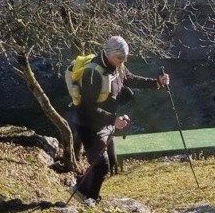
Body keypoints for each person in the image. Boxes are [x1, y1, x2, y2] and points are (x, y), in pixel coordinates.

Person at [67, 35, 169, 204]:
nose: (123, 61)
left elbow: (130, 79)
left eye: (125, 58)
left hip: (105, 122)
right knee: (101, 164)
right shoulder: (93, 73)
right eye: (120, 58)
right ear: (108, 53)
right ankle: (90, 200)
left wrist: (156, 83)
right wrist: (113, 119)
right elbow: (86, 108)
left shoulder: (118, 66)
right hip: (89, 124)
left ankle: (80, 188)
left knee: (111, 160)